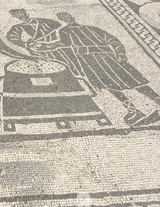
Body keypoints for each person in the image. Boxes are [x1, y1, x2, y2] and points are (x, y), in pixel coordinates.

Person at [31, 12, 160, 126]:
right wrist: (43, 47)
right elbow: (60, 44)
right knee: (107, 85)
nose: (65, 18)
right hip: (89, 62)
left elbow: (112, 39)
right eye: (62, 17)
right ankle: (133, 110)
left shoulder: (90, 29)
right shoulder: (64, 32)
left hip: (107, 58)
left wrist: (120, 53)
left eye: (66, 15)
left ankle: (157, 102)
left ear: (71, 16)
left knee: (132, 80)